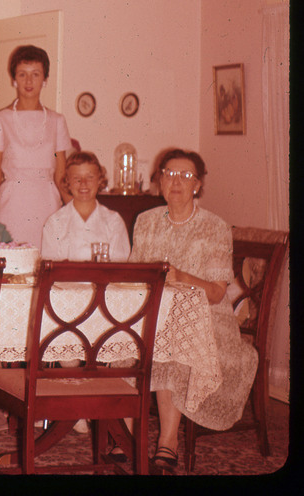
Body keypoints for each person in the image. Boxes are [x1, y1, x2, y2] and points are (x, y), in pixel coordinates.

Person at [129, 148, 258, 471]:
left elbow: (216, 292)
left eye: (185, 176)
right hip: (154, 313)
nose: (176, 181)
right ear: (159, 180)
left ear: (197, 185)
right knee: (119, 341)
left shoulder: (214, 226)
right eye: (169, 173)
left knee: (171, 346)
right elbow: (134, 274)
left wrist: (182, 276)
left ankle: (167, 441)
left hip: (208, 321)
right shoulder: (144, 222)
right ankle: (126, 436)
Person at [0, 45, 72, 248]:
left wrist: (77, 210)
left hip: (47, 203)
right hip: (10, 204)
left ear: (45, 79)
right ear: (14, 79)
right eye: (22, 74)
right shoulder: (0, 119)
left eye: (35, 74)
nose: (29, 81)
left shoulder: (57, 120)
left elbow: (61, 175)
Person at [41, 151, 131, 262]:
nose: (83, 183)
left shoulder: (113, 221)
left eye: (90, 177)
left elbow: (120, 268)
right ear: (68, 181)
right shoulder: (54, 223)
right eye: (76, 178)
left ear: (99, 180)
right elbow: (51, 271)